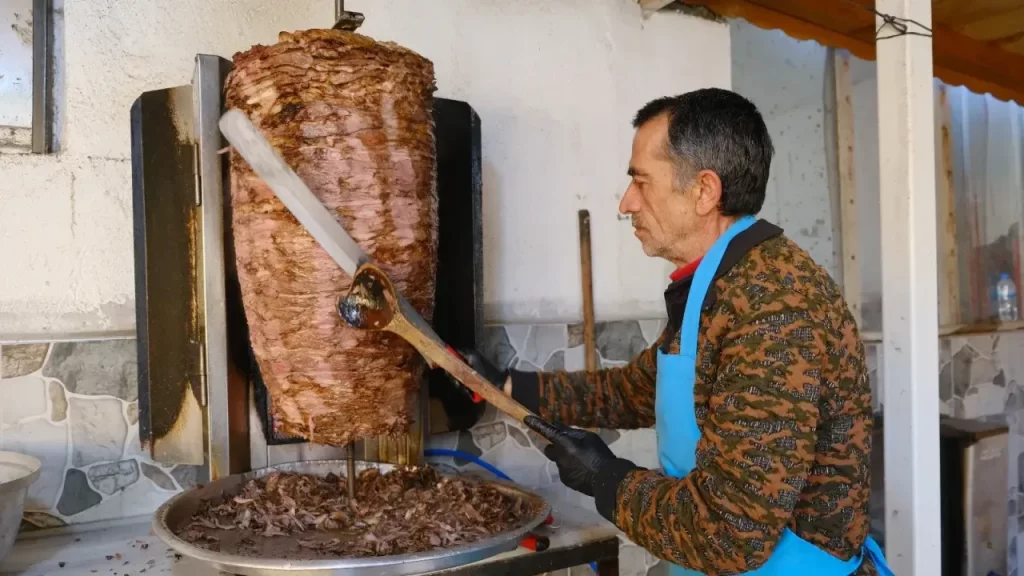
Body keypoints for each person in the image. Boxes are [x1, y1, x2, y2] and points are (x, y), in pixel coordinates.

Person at [456, 88, 892, 576]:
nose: (626, 203)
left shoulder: (772, 305)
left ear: (704, 191)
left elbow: (732, 531)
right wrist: (505, 385)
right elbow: (637, 390)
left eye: (641, 182)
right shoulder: (722, 280)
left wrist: (607, 479)